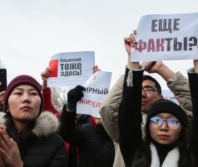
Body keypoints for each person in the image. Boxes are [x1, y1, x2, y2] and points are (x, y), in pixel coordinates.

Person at [99, 31, 192, 167]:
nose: (164, 127)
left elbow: (191, 102)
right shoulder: (122, 128)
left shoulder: (178, 122)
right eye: (139, 90)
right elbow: (109, 107)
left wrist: (161, 68)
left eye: (148, 89)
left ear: (161, 97)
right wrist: (137, 67)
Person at [0, 74, 68, 167]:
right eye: (18, 93)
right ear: (7, 106)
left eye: (33, 93)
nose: (26, 99)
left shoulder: (56, 143)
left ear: (40, 106)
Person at [118, 45, 189, 166]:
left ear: (183, 128)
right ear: (147, 126)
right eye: (156, 120)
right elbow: (129, 112)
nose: (164, 127)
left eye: (173, 122)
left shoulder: (191, 156)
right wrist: (134, 61)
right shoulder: (136, 156)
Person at [59, 84, 115, 167]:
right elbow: (66, 132)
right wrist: (71, 105)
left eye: (102, 107)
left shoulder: (119, 137)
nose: (98, 112)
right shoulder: (86, 131)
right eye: (97, 107)